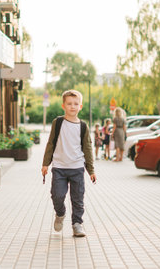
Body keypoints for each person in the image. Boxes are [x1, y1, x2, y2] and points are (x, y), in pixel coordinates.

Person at [42, 90, 96, 237]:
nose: (73, 106)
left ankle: (77, 224)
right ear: (63, 105)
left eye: (76, 104)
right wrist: (45, 163)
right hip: (59, 167)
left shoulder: (83, 126)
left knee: (78, 198)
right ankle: (60, 213)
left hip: (77, 168)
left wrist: (91, 170)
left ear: (81, 106)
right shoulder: (58, 122)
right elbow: (51, 143)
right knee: (57, 195)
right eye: (69, 104)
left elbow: (88, 148)